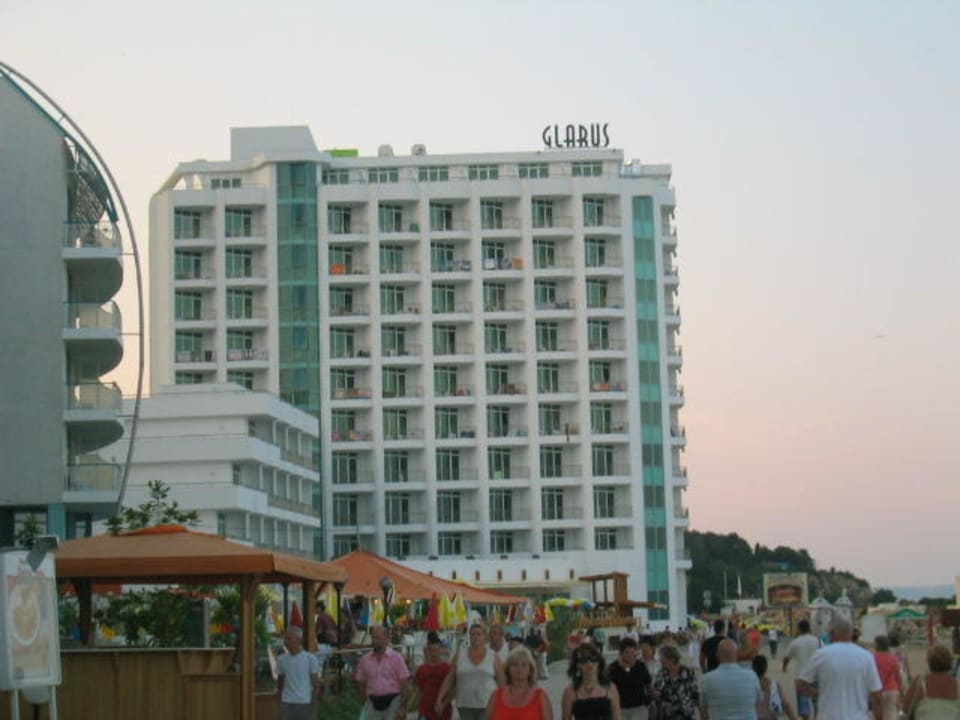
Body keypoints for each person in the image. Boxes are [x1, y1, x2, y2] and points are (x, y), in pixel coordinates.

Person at [796, 617, 882, 720]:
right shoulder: (866, 656)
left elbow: (800, 685)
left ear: (833, 632)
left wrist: (818, 694)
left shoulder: (821, 655)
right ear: (850, 633)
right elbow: (876, 695)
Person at [437, 623, 505, 720]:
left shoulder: (493, 656)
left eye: (478, 634)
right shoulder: (460, 654)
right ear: (469, 636)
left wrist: (504, 703)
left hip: (487, 704)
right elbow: (450, 678)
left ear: (484, 637)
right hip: (465, 704)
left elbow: (501, 682)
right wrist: (440, 698)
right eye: (472, 634)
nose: (475, 637)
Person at [356, 625, 411, 720]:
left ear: (386, 639)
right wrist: (366, 701)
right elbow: (361, 682)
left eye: (377, 637)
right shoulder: (365, 660)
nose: (374, 641)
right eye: (373, 637)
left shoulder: (396, 658)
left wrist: (403, 706)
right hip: (373, 702)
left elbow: (404, 683)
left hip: (393, 701)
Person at [699, 638, 761, 720]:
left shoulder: (705, 680)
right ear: (737, 654)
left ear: (717, 655)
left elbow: (703, 711)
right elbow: (758, 703)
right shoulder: (752, 676)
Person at [485, 646, 553, 720]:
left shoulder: (540, 696)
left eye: (524, 665)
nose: (519, 668)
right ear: (508, 668)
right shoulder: (496, 695)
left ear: (530, 669)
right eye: (514, 664)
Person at [561, 644, 622, 720]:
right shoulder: (570, 692)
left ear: (599, 662)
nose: (589, 664)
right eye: (584, 660)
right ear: (577, 665)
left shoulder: (610, 688)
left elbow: (617, 717)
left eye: (593, 659)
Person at [903, 644, 960, 720]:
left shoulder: (920, 682)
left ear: (929, 662)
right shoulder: (957, 684)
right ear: (949, 662)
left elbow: (905, 708)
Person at [276, 627, 321, 720]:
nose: (286, 642)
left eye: (289, 638)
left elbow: (316, 684)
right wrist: (279, 703)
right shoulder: (281, 659)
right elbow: (280, 683)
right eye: (285, 638)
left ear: (299, 640)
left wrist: (313, 704)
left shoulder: (310, 658)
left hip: (304, 702)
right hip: (286, 702)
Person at [782, 620, 821, 720]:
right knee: (816, 701)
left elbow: (787, 657)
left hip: (801, 677)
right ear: (809, 628)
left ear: (799, 629)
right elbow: (824, 655)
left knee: (803, 704)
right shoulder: (818, 641)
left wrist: (784, 667)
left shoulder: (795, 642)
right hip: (816, 675)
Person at [607, 637, 653, 720]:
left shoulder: (641, 666)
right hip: (620, 708)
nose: (630, 655)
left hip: (639, 708)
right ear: (621, 653)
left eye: (632, 652)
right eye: (627, 652)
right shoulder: (612, 668)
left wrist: (649, 701)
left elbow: (648, 685)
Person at [651, 644, 699, 720]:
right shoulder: (662, 673)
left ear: (671, 658)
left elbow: (695, 692)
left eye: (662, 658)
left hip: (686, 714)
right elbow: (657, 691)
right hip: (667, 714)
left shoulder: (688, 672)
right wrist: (654, 692)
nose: (660, 660)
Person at [413, 632, 453, 720]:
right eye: (431, 650)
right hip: (425, 711)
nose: (433, 653)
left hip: (443, 711)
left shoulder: (447, 668)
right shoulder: (422, 669)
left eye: (436, 650)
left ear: (440, 650)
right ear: (427, 650)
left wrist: (443, 705)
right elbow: (417, 691)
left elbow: (451, 692)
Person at [753, 654, 799, 720]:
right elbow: (786, 704)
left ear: (753, 668)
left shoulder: (747, 685)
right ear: (766, 668)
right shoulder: (773, 685)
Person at [873, 635, 903, 720]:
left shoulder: (872, 658)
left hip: (878, 689)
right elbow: (897, 676)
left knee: (878, 713)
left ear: (877, 645)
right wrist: (901, 689)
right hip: (892, 689)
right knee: (892, 713)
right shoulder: (893, 658)